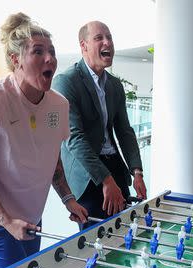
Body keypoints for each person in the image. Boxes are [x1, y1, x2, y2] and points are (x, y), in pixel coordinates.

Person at [0, 12, 87, 268]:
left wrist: (68, 199)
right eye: (38, 52)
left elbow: (54, 159)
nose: (49, 58)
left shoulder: (58, 105)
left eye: (51, 51)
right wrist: (6, 222)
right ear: (15, 59)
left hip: (29, 213)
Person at [52, 21, 146, 225]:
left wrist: (137, 172)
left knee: (125, 232)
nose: (107, 42)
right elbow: (73, 138)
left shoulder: (114, 85)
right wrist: (106, 180)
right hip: (87, 176)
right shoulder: (66, 82)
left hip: (115, 169)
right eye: (99, 38)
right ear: (83, 45)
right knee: (94, 245)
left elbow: (125, 131)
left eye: (109, 37)